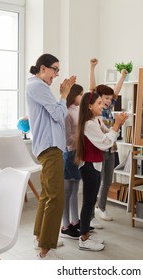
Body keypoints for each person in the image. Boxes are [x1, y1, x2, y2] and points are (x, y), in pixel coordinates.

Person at [26, 53, 76, 259]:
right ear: (43, 68)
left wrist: (60, 99)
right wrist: (64, 95)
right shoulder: (38, 86)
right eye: (55, 69)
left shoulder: (39, 87)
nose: (56, 74)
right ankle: (46, 244)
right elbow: (58, 115)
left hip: (49, 147)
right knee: (56, 196)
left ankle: (40, 237)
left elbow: (55, 114)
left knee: (47, 195)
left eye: (58, 70)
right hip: (50, 148)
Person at [75, 91, 128, 251]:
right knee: (88, 203)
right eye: (98, 103)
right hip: (89, 166)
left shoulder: (96, 120)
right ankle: (83, 238)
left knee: (91, 202)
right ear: (89, 106)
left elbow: (107, 133)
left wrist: (117, 125)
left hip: (96, 164)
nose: (102, 105)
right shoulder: (89, 124)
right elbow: (105, 143)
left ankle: (86, 233)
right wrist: (117, 126)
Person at [88, 58, 128, 228]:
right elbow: (92, 88)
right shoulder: (95, 108)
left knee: (107, 180)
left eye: (111, 99)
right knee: (95, 182)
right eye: (106, 98)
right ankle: (89, 215)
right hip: (99, 148)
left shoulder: (110, 107)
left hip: (111, 148)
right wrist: (92, 67)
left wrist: (123, 76)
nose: (109, 101)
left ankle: (101, 207)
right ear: (98, 98)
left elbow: (116, 91)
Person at [60, 84, 84, 239]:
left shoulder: (77, 110)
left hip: (78, 152)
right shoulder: (66, 112)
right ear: (73, 94)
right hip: (70, 153)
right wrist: (80, 140)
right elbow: (67, 138)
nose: (82, 97)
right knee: (67, 191)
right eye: (80, 94)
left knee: (75, 190)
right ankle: (65, 225)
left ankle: (75, 222)